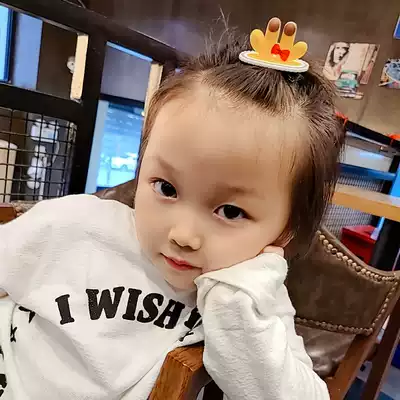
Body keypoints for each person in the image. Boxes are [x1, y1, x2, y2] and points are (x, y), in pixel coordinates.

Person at [0, 18, 344, 400]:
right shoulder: (77, 227)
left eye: (231, 212)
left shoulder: (256, 300)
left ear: (284, 231)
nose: (183, 235)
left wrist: (234, 303)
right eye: (166, 188)